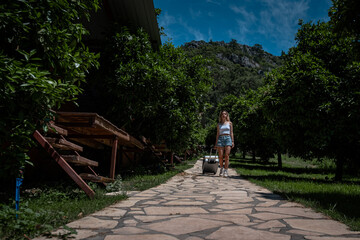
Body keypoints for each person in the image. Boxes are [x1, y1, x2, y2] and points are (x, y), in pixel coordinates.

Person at [215, 110, 234, 177]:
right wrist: (216, 143)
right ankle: (221, 169)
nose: (224, 115)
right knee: (220, 156)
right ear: (221, 115)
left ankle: (226, 170)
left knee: (227, 155)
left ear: (227, 115)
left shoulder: (230, 123)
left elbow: (231, 132)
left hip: (228, 138)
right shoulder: (219, 124)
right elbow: (217, 134)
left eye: (225, 114)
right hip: (220, 138)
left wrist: (232, 141)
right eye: (222, 114)